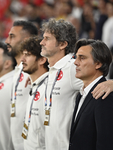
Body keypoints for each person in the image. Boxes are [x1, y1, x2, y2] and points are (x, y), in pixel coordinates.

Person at [40, 18, 83, 150]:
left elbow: (98, 83)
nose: (41, 42)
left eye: (47, 38)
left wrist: (110, 83)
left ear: (62, 44)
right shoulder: (52, 70)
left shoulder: (71, 67)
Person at [69, 39, 113, 150]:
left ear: (98, 63)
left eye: (82, 58)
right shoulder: (81, 94)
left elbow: (106, 143)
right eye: (76, 57)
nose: (75, 62)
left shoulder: (105, 95)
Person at [5, 20, 38, 150]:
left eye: (12, 36)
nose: (7, 41)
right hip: (16, 143)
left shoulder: (38, 68)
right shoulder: (17, 70)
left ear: (27, 39)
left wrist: (107, 82)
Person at [19, 37, 49, 150]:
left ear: (42, 60)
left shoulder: (48, 87)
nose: (22, 59)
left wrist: (109, 83)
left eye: (27, 55)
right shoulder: (35, 84)